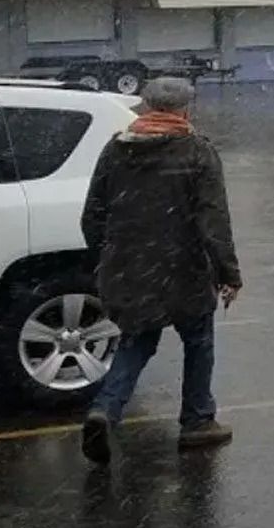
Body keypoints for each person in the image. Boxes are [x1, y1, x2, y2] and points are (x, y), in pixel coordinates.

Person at [79, 77, 241, 464]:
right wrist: (228, 273)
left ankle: (105, 409)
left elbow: (92, 214)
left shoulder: (116, 149)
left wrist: (109, 257)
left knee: (136, 341)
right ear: (185, 110)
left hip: (130, 267)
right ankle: (197, 420)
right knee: (198, 341)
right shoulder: (197, 152)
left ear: (148, 107)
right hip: (184, 268)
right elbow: (213, 220)